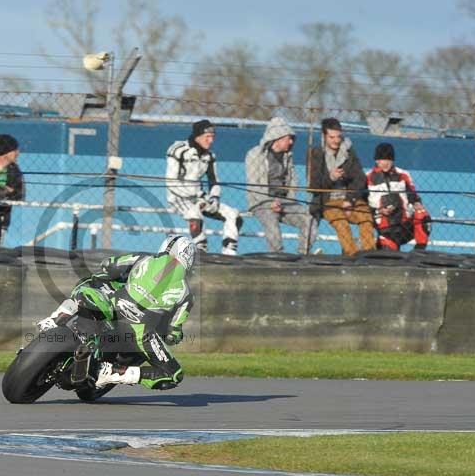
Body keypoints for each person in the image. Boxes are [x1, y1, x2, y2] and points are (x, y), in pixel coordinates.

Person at [37, 235, 196, 390]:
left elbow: (109, 264)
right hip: (140, 332)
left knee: (91, 282)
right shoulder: (187, 294)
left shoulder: (144, 258)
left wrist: (125, 279)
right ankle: (114, 373)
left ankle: (53, 320)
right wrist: (172, 335)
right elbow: (173, 333)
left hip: (112, 306)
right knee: (173, 374)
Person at [165, 120, 241, 255]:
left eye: (213, 137)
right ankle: (200, 250)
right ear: (197, 136)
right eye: (207, 137)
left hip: (199, 197)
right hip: (177, 196)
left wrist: (214, 198)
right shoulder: (178, 149)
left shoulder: (210, 156)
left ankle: (229, 253)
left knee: (233, 214)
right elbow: (170, 181)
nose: (211, 141)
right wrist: (195, 198)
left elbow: (214, 181)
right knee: (195, 214)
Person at [245, 117, 317, 254]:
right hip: (261, 201)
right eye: (288, 138)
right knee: (272, 224)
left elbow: (292, 180)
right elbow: (253, 184)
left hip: (284, 202)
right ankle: (277, 256)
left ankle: (304, 253)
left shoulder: (287, 156)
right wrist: (269, 202)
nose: (291, 142)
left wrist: (290, 200)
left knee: (309, 217)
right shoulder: (254, 155)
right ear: (278, 137)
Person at [308, 117, 376, 256]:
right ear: (324, 136)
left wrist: (350, 200)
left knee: (366, 219)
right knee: (341, 223)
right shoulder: (316, 154)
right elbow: (313, 185)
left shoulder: (349, 152)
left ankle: (370, 255)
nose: (336, 141)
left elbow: (360, 178)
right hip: (328, 201)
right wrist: (330, 178)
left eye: (338, 137)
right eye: (332, 137)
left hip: (350, 198)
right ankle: (352, 256)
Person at [366, 143, 431, 250]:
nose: (386, 163)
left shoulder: (403, 174)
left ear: (393, 160)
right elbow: (363, 204)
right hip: (385, 226)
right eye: (382, 159)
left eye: (389, 159)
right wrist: (378, 211)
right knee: (390, 257)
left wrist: (416, 203)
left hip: (405, 224)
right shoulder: (368, 177)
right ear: (376, 160)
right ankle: (384, 243)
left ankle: (419, 252)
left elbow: (413, 195)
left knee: (422, 214)